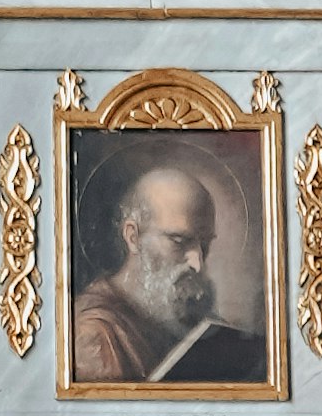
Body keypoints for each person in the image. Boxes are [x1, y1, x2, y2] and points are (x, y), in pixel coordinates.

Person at [67, 150, 263, 388]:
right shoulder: (94, 335)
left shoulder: (188, 314)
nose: (197, 263)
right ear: (133, 237)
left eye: (204, 244)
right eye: (179, 241)